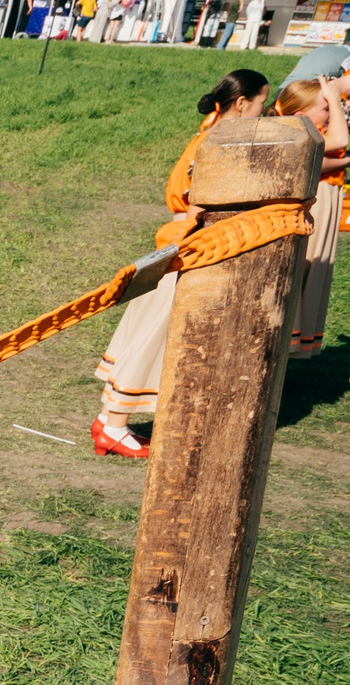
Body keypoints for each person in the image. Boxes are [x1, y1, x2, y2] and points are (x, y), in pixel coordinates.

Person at [93, 68, 269, 457]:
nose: (264, 111)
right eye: (261, 104)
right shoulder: (218, 142)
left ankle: (109, 418)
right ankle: (116, 424)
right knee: (154, 335)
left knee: (143, 329)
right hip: (187, 245)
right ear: (242, 104)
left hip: (174, 241)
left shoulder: (207, 132)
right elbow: (202, 201)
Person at [273, 76, 346, 360]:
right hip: (316, 200)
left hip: (327, 197)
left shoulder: (308, 128)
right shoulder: (299, 129)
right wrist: (335, 98)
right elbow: (339, 141)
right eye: (326, 108)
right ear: (302, 114)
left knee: (314, 272)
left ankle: (293, 341)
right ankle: (287, 339)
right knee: (306, 270)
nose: (331, 114)